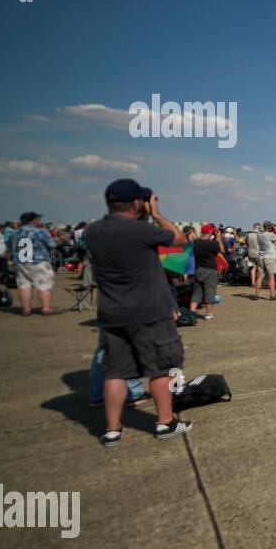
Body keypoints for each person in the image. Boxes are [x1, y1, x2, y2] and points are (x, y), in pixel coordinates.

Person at [84, 179, 193, 446]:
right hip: (149, 310)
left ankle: (112, 429)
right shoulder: (141, 231)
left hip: (112, 312)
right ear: (136, 203)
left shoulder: (92, 231)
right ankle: (165, 422)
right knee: (161, 368)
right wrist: (156, 214)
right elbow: (180, 240)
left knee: (115, 372)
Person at [11, 211, 59, 316]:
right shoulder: (40, 231)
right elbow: (52, 245)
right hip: (39, 261)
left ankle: (26, 309)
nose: (40, 221)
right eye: (38, 219)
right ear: (33, 220)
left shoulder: (15, 232)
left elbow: (9, 245)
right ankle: (46, 308)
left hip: (21, 262)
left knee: (24, 285)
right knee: (44, 284)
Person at [189, 223, 223, 319]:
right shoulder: (213, 244)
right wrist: (218, 238)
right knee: (210, 291)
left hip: (198, 269)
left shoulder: (195, 243)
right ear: (210, 231)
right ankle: (208, 313)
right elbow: (222, 250)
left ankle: (191, 311)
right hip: (210, 269)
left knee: (197, 291)